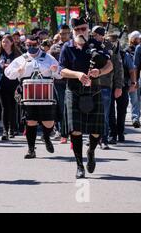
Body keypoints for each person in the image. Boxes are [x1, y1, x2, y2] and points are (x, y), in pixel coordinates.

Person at [59, 17, 113, 179]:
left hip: (94, 90)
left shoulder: (96, 45)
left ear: (88, 29)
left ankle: (91, 152)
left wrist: (100, 72)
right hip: (73, 90)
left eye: (83, 29)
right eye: (77, 30)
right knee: (75, 130)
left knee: (96, 131)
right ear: (73, 31)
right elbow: (61, 70)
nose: (81, 32)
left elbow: (109, 65)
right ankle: (79, 165)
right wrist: (77, 74)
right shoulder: (67, 48)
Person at [6, 35, 61, 158]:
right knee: (30, 122)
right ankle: (31, 150)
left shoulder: (49, 58)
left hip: (46, 94)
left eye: (34, 45)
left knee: (49, 122)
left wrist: (54, 70)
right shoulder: (21, 59)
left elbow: (60, 74)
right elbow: (8, 73)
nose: (31, 47)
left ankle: (46, 137)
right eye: (28, 45)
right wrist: (17, 71)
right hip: (28, 95)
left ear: (39, 44)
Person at [91, 26, 124, 150]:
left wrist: (118, 86)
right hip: (90, 84)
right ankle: (93, 138)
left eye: (95, 35)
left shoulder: (111, 47)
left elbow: (118, 68)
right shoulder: (89, 45)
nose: (93, 37)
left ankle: (104, 139)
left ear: (101, 35)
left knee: (103, 114)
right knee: (91, 113)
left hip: (105, 85)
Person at [109, 33, 137, 144]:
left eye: (113, 41)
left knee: (121, 111)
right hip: (108, 86)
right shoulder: (105, 53)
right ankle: (112, 134)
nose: (111, 44)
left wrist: (133, 83)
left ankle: (120, 133)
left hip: (123, 85)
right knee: (110, 112)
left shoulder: (124, 55)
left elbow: (131, 70)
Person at [0, 34, 22, 140]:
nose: (5, 44)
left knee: (13, 107)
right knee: (4, 108)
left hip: (15, 84)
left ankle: (13, 129)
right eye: (3, 42)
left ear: (11, 43)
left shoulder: (18, 55)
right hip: (2, 84)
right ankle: (5, 131)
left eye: (7, 42)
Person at [49, 24, 71, 144]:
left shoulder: (74, 46)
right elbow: (49, 62)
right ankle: (62, 132)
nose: (63, 36)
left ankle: (70, 131)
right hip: (58, 82)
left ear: (70, 33)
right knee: (61, 106)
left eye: (66, 33)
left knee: (71, 107)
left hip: (71, 80)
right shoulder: (54, 48)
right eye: (61, 33)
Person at [127, 31, 141, 128]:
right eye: (138, 38)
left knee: (138, 99)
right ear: (133, 39)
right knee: (134, 98)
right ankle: (135, 117)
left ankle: (136, 118)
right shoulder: (127, 50)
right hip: (130, 77)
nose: (140, 40)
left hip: (139, 76)